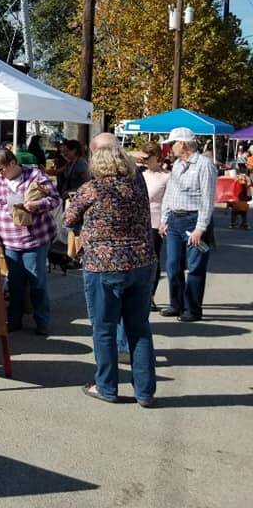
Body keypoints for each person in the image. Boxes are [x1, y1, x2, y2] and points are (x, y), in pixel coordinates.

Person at [65, 142, 157, 407]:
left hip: (104, 266)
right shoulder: (137, 188)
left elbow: (69, 220)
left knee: (104, 329)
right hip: (141, 263)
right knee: (139, 329)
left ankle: (106, 386)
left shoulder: (92, 188)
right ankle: (145, 392)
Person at [0, 150, 60, 336]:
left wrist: (37, 205)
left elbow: (55, 199)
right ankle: (14, 320)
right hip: (9, 241)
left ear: (12, 164)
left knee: (37, 282)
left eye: (1, 169)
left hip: (35, 240)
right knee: (14, 283)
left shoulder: (35, 176)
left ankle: (42, 320)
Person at [159, 127, 217, 321]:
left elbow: (208, 199)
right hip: (175, 220)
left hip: (194, 219)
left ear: (182, 144)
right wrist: (164, 219)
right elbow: (170, 194)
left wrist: (201, 227)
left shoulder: (204, 165)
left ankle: (192, 309)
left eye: (172, 143)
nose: (170, 147)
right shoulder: (177, 165)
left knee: (195, 267)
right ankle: (176, 304)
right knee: (173, 265)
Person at [140, 142, 171, 308]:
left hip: (156, 220)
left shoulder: (167, 177)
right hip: (138, 221)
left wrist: (165, 221)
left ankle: (150, 295)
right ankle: (140, 293)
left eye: (147, 157)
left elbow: (168, 201)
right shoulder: (139, 175)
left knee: (153, 258)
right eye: (143, 157)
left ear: (157, 158)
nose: (144, 161)